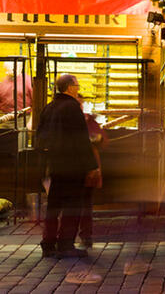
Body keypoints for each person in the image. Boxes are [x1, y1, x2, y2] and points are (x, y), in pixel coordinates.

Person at [35, 74, 99, 259]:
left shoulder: (49, 108)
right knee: (72, 206)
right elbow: (81, 140)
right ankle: (65, 244)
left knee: (53, 206)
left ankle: (48, 243)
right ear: (70, 87)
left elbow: (40, 138)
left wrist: (45, 164)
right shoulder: (72, 108)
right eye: (77, 85)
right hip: (72, 166)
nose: (78, 88)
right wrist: (91, 165)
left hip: (54, 166)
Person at [77, 96, 108, 250]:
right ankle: (83, 235)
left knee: (81, 204)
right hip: (85, 168)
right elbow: (102, 141)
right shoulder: (87, 121)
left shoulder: (88, 121)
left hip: (81, 168)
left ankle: (81, 235)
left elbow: (102, 140)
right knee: (84, 204)